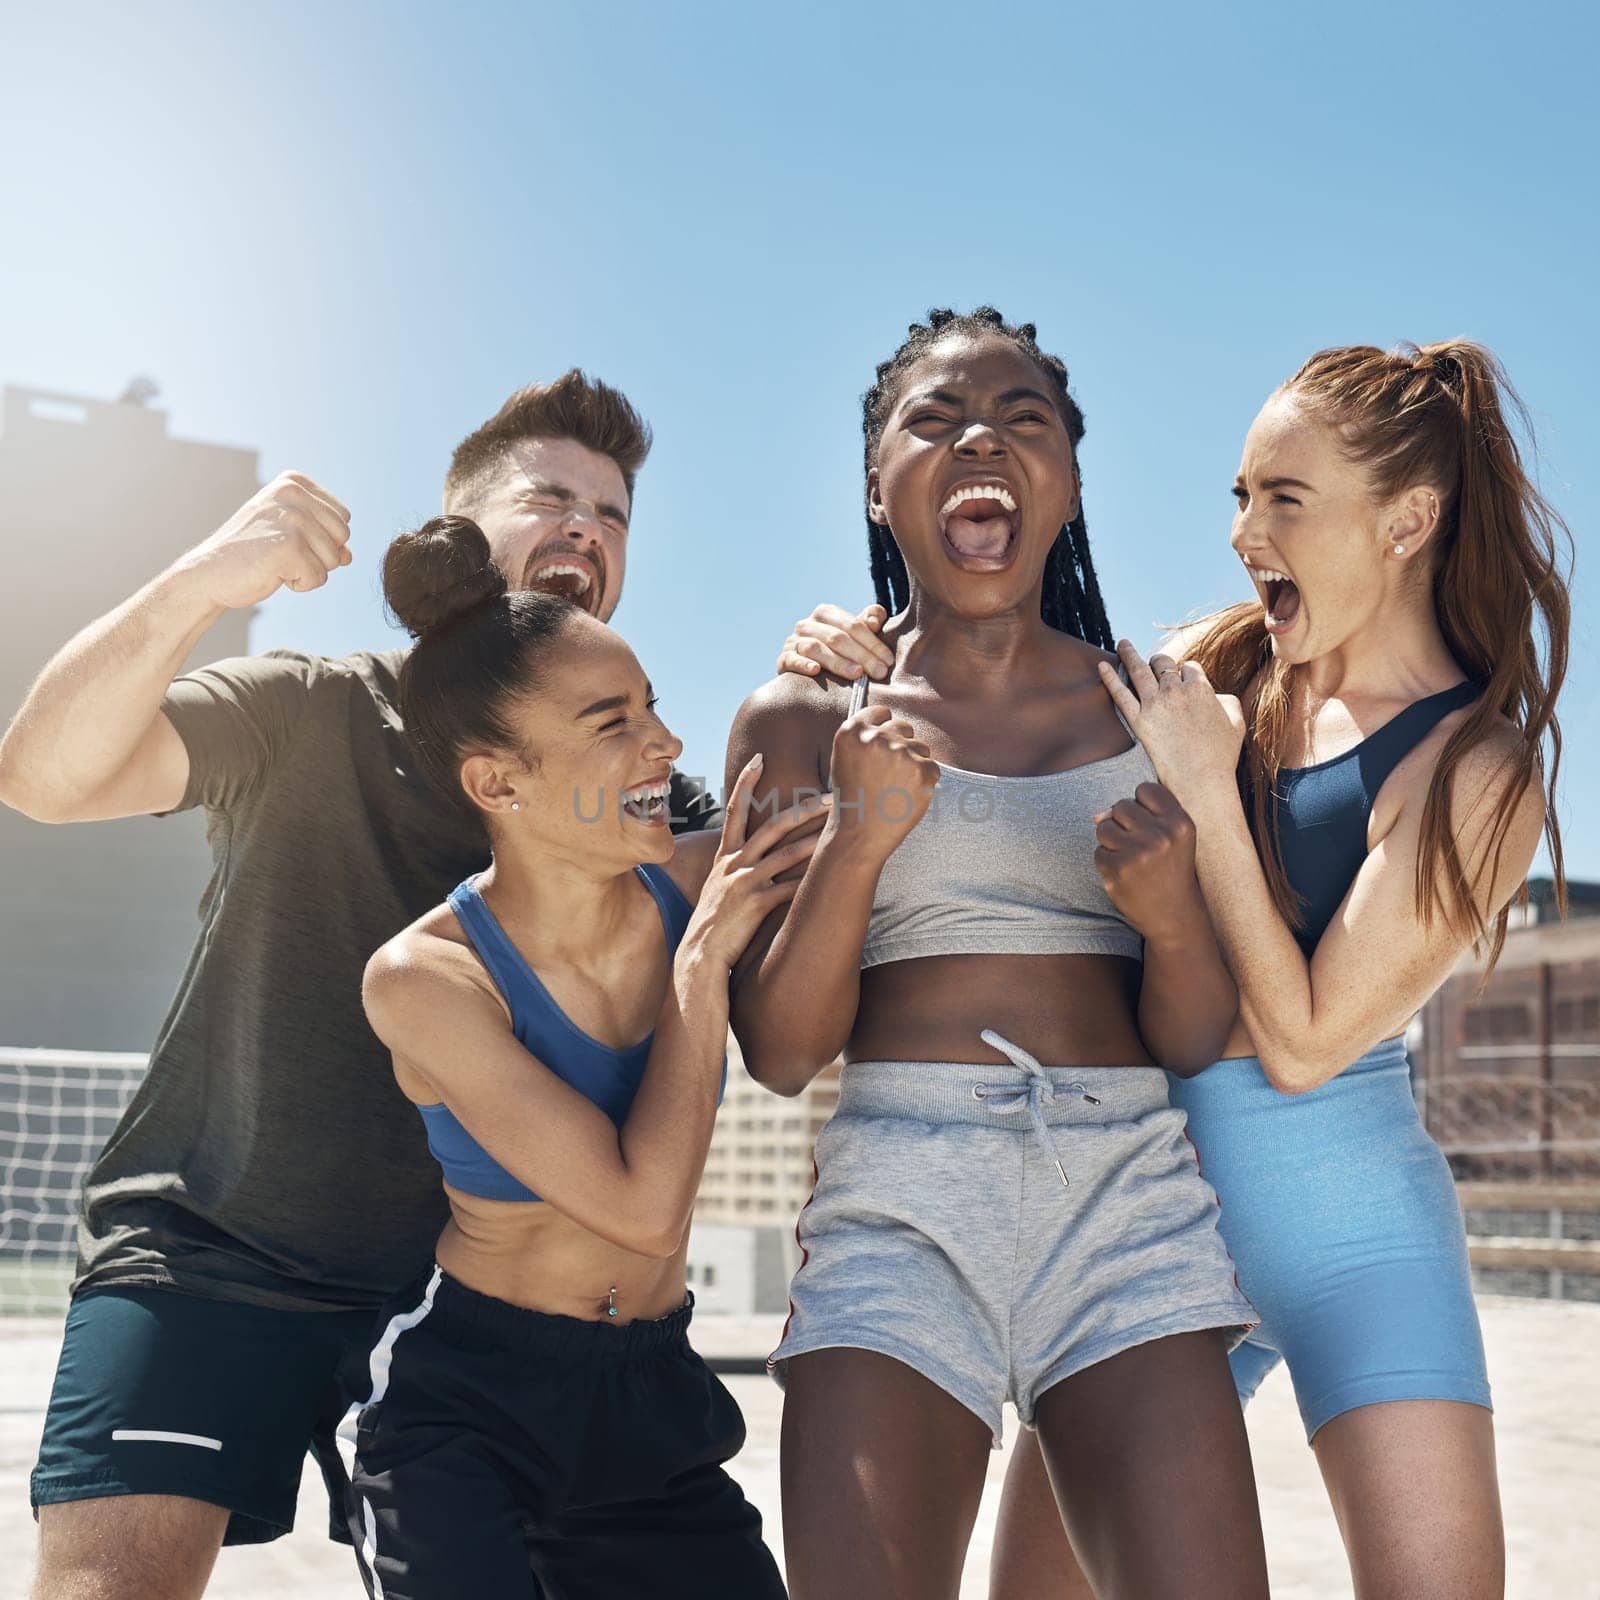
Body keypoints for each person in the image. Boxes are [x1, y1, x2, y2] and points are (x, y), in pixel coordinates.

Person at [794, 339, 1570, 1599]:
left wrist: (1207, 789)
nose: (1241, 533)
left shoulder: (1474, 772)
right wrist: (850, 645)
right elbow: (995, 681)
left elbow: (1309, 1042)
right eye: (1236, 495)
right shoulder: (1213, 670)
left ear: (1407, 521)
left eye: (1283, 499)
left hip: (1351, 1241)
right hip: (1138, 1233)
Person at [0, 371, 726, 1599]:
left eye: (612, 516)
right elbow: (46, 778)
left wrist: (828, 683)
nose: (587, 530)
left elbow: (811, 850)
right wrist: (204, 581)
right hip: (212, 1250)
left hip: (458, 1299)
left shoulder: (638, 804)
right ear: (454, 526)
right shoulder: (312, 704)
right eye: (550, 497)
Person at [726, 306, 1269, 1600]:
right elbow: (785, 1050)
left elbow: (1195, 1037)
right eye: (937, 418)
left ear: (1068, 483)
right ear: (879, 482)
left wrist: (1174, 915)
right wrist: (860, 844)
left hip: (1127, 1196)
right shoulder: (804, 714)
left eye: (1024, 419)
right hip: (898, 1205)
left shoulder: (1162, 714)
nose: (982, 436)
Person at [343, 517, 805, 1598]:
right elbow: (640, 1209)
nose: (665, 745)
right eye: (614, 722)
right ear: (498, 784)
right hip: (466, 1410)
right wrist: (702, 968)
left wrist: (834, 666)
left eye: (651, 706)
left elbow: (864, 809)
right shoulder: (423, 979)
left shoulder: (700, 879)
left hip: (651, 1393)